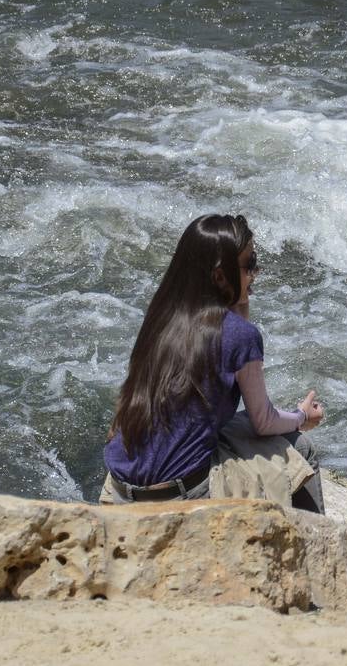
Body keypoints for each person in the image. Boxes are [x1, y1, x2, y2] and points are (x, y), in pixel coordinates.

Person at [100, 214, 326, 512]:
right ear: (220, 276)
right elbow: (264, 422)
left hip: (120, 489)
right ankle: (317, 548)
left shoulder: (161, 317)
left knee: (227, 427)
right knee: (301, 449)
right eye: (249, 264)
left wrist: (239, 301)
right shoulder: (238, 334)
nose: (256, 272)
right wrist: (301, 417)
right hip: (181, 494)